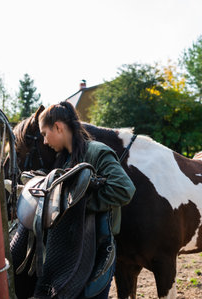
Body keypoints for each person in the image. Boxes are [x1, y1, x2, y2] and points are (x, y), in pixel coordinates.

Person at [38, 101, 135, 298]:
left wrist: (80, 206)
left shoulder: (97, 151)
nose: (45, 142)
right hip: (69, 248)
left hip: (98, 248)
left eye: (44, 134)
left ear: (58, 126)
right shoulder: (64, 159)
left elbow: (124, 189)